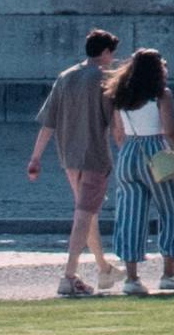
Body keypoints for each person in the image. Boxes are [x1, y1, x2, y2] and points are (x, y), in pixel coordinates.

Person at [27, 27, 124, 298]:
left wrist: (35, 157)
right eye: (112, 53)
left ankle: (104, 268)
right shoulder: (106, 79)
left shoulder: (66, 77)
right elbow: (116, 127)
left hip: (69, 156)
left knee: (87, 213)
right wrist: (126, 152)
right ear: (105, 52)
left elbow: (48, 123)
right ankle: (69, 275)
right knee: (84, 215)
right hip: (94, 156)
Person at [108, 47, 174, 295]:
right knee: (172, 210)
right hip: (156, 150)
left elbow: (117, 132)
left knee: (130, 215)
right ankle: (168, 273)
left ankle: (132, 277)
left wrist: (128, 150)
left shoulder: (120, 94)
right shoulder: (162, 95)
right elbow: (170, 131)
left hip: (129, 151)